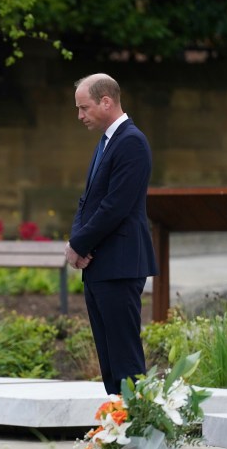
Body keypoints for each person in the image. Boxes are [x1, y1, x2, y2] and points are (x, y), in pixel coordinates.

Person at [66, 73, 158, 395]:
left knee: (125, 359)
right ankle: (117, 427)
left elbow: (115, 206)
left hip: (120, 265)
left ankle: (138, 431)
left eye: (84, 107)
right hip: (100, 266)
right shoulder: (107, 141)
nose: (80, 116)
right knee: (109, 359)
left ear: (106, 101)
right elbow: (88, 199)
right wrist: (77, 242)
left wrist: (80, 243)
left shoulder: (131, 142)